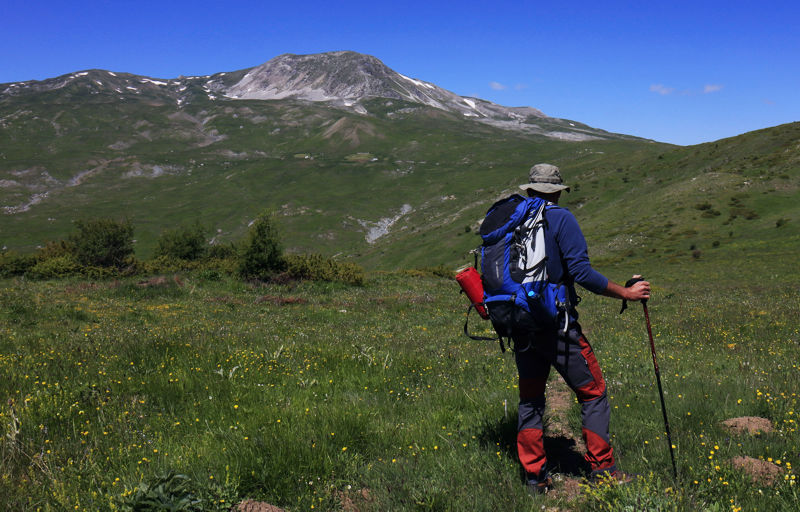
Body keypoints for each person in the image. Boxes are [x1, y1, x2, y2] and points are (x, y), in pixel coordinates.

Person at [512, 163, 650, 493]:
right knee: (593, 392)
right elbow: (583, 274)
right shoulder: (561, 218)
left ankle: (534, 477)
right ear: (558, 190)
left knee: (531, 399)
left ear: (530, 188)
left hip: (521, 323)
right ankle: (603, 471)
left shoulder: (514, 219)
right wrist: (627, 293)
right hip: (557, 326)